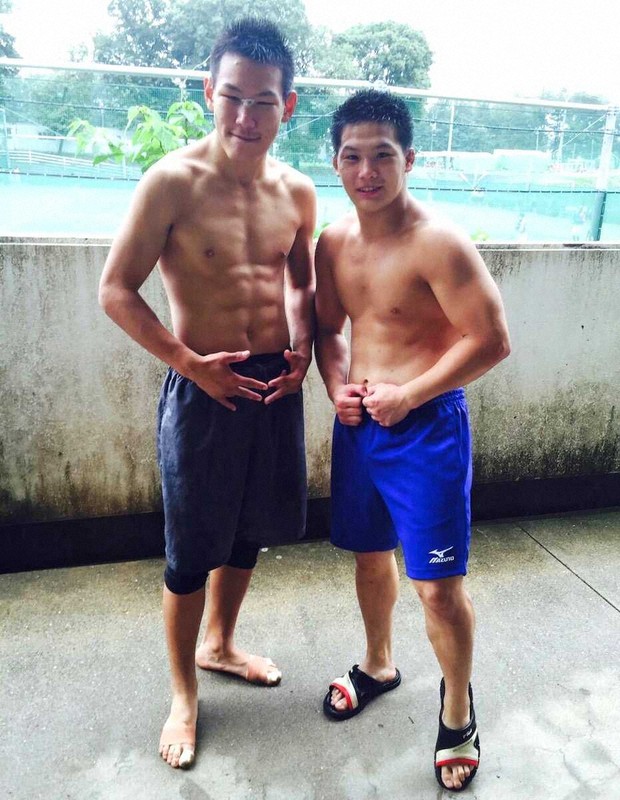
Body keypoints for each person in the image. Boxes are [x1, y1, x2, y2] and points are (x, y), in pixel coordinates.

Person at [99, 18, 315, 769]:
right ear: (208, 93)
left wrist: (303, 349)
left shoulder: (298, 192)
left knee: (252, 528)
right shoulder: (172, 182)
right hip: (204, 385)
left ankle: (221, 644)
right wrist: (190, 364)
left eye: (263, 101)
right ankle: (184, 692)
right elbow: (116, 290)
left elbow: (300, 280)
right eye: (232, 97)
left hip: (273, 385)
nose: (246, 117)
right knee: (191, 547)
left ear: (288, 105)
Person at [314, 89, 510, 792]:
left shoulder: (439, 243)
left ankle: (457, 712)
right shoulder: (333, 242)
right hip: (360, 427)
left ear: (410, 159)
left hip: (426, 431)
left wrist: (411, 393)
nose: (366, 171)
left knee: (438, 588)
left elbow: (491, 340)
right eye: (352, 157)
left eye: (382, 156)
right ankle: (378, 663)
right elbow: (327, 329)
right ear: (335, 162)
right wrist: (337, 386)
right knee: (370, 556)